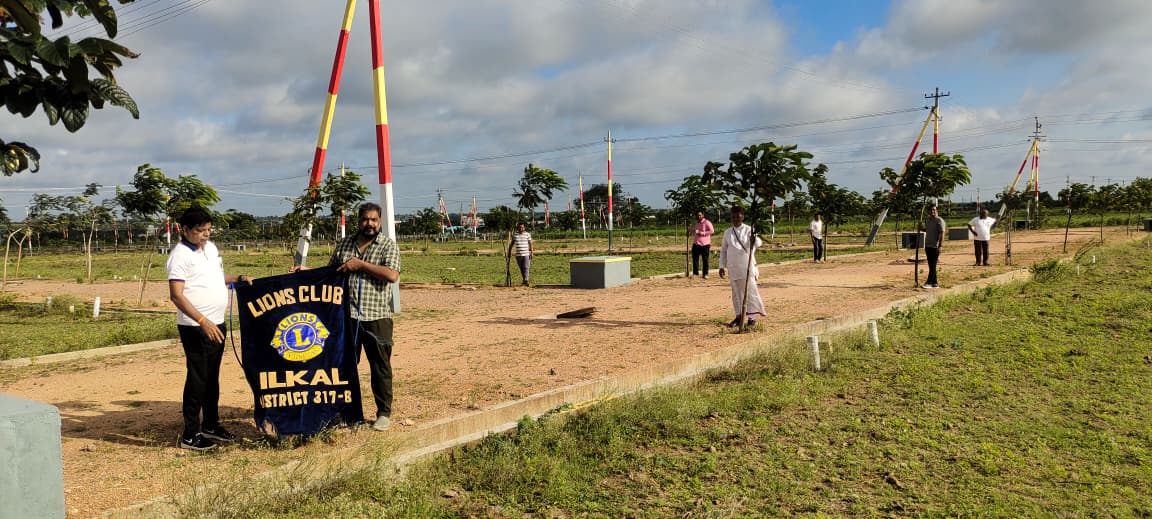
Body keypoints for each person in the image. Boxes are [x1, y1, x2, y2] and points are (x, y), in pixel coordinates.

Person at [166, 207, 252, 451]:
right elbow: (177, 296)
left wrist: (237, 277)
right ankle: (190, 434)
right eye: (199, 231)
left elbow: (215, 276)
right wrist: (203, 321)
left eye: (208, 230)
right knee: (198, 378)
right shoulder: (179, 256)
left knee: (211, 377)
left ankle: (211, 424)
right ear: (184, 230)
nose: (205, 235)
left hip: (217, 323)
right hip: (196, 327)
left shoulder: (210, 249)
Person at [327, 202, 402, 431]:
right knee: (345, 366)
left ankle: (383, 413)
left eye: (374, 220)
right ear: (357, 220)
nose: (369, 224)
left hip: (377, 316)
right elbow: (331, 271)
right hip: (347, 316)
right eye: (365, 219)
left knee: (380, 366)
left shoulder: (387, 246)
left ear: (379, 222)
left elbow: (391, 275)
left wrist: (360, 265)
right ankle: (346, 413)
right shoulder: (346, 244)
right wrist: (305, 272)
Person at [717, 205, 766, 328]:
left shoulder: (749, 229)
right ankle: (739, 316)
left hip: (747, 267)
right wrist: (721, 266)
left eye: (738, 216)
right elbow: (723, 250)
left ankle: (752, 318)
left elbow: (759, 243)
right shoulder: (727, 233)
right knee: (736, 294)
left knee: (750, 292)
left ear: (742, 217)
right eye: (733, 217)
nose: (735, 219)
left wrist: (753, 239)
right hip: (733, 268)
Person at [923, 205, 946, 288]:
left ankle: (929, 282)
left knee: (933, 265)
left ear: (937, 211)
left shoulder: (939, 220)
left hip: (935, 246)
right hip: (928, 245)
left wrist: (940, 246)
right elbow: (927, 229)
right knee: (931, 265)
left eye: (934, 210)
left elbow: (942, 233)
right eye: (930, 210)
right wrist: (921, 228)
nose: (932, 211)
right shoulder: (927, 220)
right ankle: (935, 283)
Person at [691, 211, 714, 278]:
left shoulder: (707, 222)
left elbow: (712, 231)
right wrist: (691, 230)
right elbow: (695, 231)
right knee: (695, 259)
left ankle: (705, 274)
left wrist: (702, 233)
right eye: (697, 215)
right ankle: (695, 273)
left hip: (705, 244)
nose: (699, 217)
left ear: (703, 215)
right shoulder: (697, 223)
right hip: (696, 243)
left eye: (700, 215)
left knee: (705, 260)